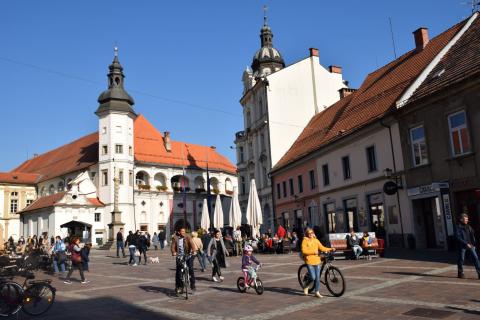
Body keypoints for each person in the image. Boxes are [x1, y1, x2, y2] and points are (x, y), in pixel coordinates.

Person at [301, 227, 334, 298]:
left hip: (317, 260)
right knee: (313, 277)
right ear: (307, 234)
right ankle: (306, 285)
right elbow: (304, 251)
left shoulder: (316, 240)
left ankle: (317, 292)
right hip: (309, 261)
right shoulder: (305, 240)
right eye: (309, 233)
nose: (311, 234)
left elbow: (322, 248)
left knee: (318, 278)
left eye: (312, 233)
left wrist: (330, 249)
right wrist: (313, 252)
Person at [171, 228, 196, 294]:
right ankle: (178, 286)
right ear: (179, 232)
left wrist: (194, 251)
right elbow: (173, 246)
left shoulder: (188, 237)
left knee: (190, 268)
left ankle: (192, 285)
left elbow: (192, 244)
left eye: (184, 231)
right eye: (182, 231)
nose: (183, 232)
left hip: (188, 255)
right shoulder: (175, 238)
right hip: (179, 256)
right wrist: (173, 252)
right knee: (178, 272)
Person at [456, 213, 480, 279]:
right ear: (461, 219)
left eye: (467, 219)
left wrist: (474, 244)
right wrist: (466, 243)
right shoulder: (458, 227)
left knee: (476, 258)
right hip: (463, 246)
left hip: (471, 245)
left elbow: (473, 235)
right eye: (465, 219)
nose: (467, 220)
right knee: (461, 259)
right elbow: (458, 237)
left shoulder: (469, 226)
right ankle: (460, 273)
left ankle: (479, 273)